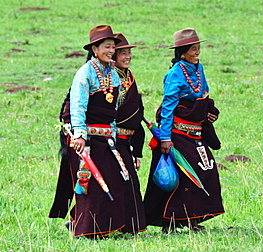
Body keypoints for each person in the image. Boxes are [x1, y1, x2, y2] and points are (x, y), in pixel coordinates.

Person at [49, 25, 142, 238]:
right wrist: (80, 135)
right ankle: (89, 230)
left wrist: (115, 136)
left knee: (115, 180)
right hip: (89, 139)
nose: (111, 51)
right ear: (94, 48)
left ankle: (108, 227)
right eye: (107, 47)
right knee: (92, 186)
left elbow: (113, 111)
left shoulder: (113, 74)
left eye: (113, 48)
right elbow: (78, 106)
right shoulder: (85, 73)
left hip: (108, 138)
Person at [143, 28, 224, 232]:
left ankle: (192, 218)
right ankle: (169, 221)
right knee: (184, 176)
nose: (197, 53)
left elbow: (203, 94)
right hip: (177, 133)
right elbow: (168, 107)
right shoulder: (174, 74)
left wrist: (208, 111)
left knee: (207, 172)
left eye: (198, 48)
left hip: (196, 133)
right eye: (193, 49)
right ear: (182, 52)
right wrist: (166, 138)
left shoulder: (198, 68)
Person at [111, 32, 146, 233]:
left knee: (130, 181)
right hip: (111, 138)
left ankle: (131, 226)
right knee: (118, 181)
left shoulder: (129, 76)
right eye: (123, 53)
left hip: (127, 138)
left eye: (129, 52)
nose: (127, 57)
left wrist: (136, 150)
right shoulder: (109, 76)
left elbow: (135, 112)